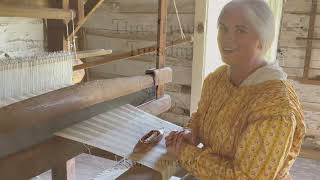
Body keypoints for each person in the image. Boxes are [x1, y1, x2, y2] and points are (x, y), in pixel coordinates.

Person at [165, 0, 305, 179]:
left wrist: (184, 153)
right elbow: (201, 115)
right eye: (223, 28)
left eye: (241, 30)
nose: (226, 38)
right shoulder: (218, 78)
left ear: (262, 41)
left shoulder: (275, 108)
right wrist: (193, 132)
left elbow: (245, 177)